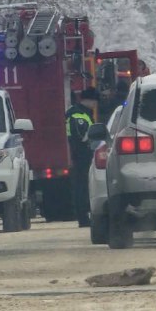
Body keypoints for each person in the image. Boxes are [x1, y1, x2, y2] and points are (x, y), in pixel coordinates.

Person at [65, 86, 100, 228]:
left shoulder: (79, 112)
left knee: (82, 186)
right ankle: (83, 217)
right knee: (82, 187)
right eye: (95, 102)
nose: (96, 105)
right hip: (81, 156)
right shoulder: (79, 114)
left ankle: (84, 216)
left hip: (80, 155)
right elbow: (83, 136)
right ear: (90, 100)